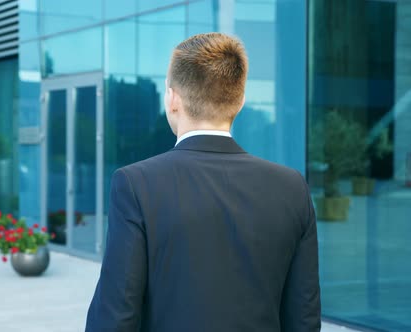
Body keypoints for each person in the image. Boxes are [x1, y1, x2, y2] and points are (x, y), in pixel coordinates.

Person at [85, 32, 320, 332]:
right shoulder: (292, 188)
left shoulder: (136, 185)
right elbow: (304, 319)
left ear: (172, 99)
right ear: (240, 101)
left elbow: (115, 317)